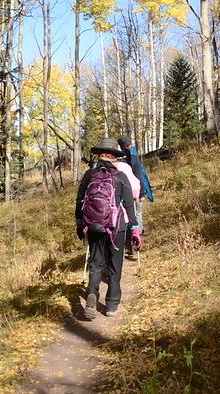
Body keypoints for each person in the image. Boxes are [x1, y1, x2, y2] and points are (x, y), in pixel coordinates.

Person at [76, 137, 142, 319]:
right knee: (115, 265)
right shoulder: (120, 177)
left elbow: (80, 200)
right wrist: (135, 229)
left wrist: (80, 223)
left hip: (94, 226)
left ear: (99, 155)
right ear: (115, 157)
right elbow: (129, 205)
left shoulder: (89, 175)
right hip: (116, 227)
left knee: (96, 263)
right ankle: (112, 304)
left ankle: (91, 292)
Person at [117, 136, 154, 240]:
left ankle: (135, 235)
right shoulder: (133, 156)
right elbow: (140, 175)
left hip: (129, 190)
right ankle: (138, 234)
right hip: (135, 190)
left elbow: (139, 175)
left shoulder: (121, 159)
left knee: (132, 213)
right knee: (136, 213)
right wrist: (142, 192)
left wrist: (141, 193)